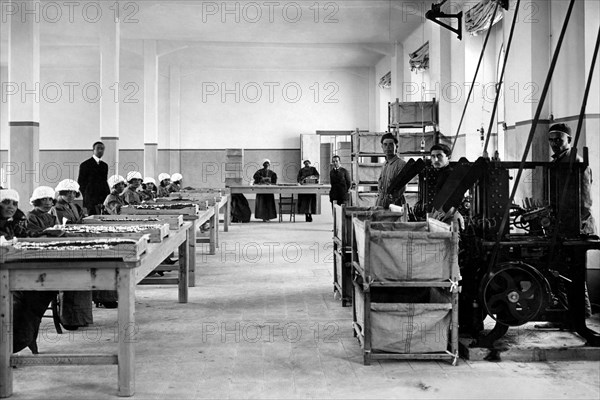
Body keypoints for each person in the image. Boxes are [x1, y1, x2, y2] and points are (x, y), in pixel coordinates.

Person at [535, 123, 594, 328]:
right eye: (551, 140)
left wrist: (572, 226)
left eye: (559, 140)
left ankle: (581, 316)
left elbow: (584, 202)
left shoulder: (576, 163)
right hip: (562, 227)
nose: (554, 144)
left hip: (577, 227)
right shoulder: (559, 162)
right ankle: (567, 316)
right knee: (560, 271)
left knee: (573, 274)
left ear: (569, 140)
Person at [1, 189, 57, 354]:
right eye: (6, 202)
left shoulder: (11, 223)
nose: (11, 207)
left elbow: (25, 234)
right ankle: (12, 343)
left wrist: (44, 233)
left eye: (14, 203)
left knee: (44, 290)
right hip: (5, 274)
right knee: (20, 299)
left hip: (11, 270)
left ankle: (20, 339)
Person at [52, 179, 92, 330]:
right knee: (71, 279)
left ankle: (81, 317)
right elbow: (59, 228)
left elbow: (81, 220)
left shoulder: (74, 206)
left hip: (78, 242)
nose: (70, 195)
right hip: (66, 244)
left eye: (73, 193)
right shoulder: (56, 208)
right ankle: (69, 319)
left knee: (84, 277)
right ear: (60, 193)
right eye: (67, 193)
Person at [77, 141, 110, 215]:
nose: (100, 150)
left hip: (103, 198)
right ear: (93, 150)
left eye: (102, 149)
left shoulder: (104, 165)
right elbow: (81, 183)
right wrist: (87, 195)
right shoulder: (85, 165)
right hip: (91, 198)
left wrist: (107, 195)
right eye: (98, 148)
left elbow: (104, 181)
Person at [376, 133, 407, 208]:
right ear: (382, 147)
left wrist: (389, 201)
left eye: (391, 144)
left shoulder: (401, 164)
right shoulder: (384, 164)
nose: (388, 147)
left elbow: (401, 188)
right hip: (382, 204)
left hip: (395, 205)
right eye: (385, 145)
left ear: (396, 146)